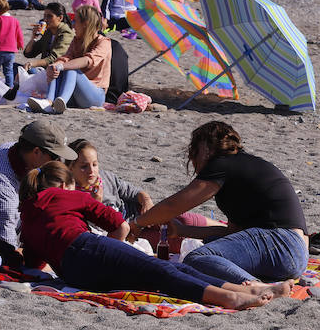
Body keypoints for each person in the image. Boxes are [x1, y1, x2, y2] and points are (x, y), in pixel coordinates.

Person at [18, 161, 284, 309]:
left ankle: (244, 289)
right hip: (88, 248)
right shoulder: (69, 195)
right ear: (64, 184)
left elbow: (33, 265)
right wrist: (113, 251)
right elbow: (120, 224)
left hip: (75, 275)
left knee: (156, 276)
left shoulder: (27, 219)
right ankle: (232, 296)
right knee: (162, 270)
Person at [131, 121, 309, 285]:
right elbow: (232, 232)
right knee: (212, 245)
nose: (192, 158)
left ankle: (256, 287)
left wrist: (136, 223)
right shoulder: (244, 166)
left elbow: (173, 206)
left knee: (196, 258)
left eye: (195, 150)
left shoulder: (222, 165)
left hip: (281, 244)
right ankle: (257, 282)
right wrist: (182, 231)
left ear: (206, 148)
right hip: (296, 255)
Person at [0, 119, 77, 267]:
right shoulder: (1, 186)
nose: (58, 161)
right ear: (36, 152)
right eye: (55, 157)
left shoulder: (9, 149)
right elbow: (7, 251)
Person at [66, 139, 218, 255]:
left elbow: (134, 192)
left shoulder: (105, 177)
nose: (91, 171)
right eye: (84, 166)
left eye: (95, 164)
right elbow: (96, 231)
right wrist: (96, 204)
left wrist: (146, 201)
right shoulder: (73, 195)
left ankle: (224, 227)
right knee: (175, 241)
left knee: (183, 220)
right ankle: (218, 243)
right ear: (70, 168)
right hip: (128, 233)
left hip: (140, 215)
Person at [27, 5, 110, 114]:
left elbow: (87, 60)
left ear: (85, 24)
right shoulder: (77, 40)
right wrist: (55, 66)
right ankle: (49, 101)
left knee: (71, 69)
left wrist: (61, 66)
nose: (73, 25)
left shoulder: (103, 42)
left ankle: (60, 103)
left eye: (75, 21)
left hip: (96, 96)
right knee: (55, 67)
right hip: (75, 93)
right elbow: (66, 57)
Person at [21, 2, 74, 71]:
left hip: (58, 71)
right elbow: (29, 54)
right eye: (44, 16)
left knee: (25, 70)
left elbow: (54, 58)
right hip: (45, 70)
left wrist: (31, 64)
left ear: (60, 18)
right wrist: (33, 38)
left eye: (49, 16)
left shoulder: (66, 34)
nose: (45, 19)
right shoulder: (49, 31)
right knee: (16, 67)